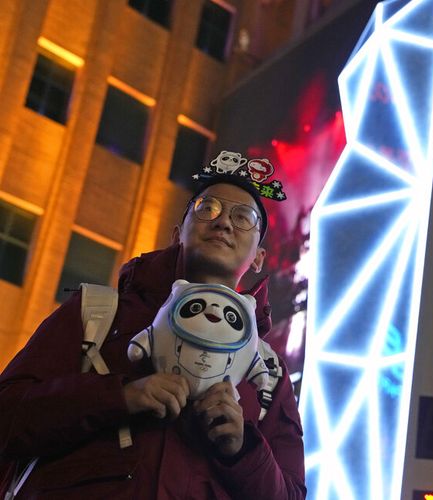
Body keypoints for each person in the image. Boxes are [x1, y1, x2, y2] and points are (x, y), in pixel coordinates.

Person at [0, 154, 305, 499]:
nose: (223, 224)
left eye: (243, 218)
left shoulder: (268, 373)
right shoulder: (98, 315)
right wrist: (120, 396)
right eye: (208, 209)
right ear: (178, 235)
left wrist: (242, 448)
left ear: (259, 258)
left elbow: (290, 494)